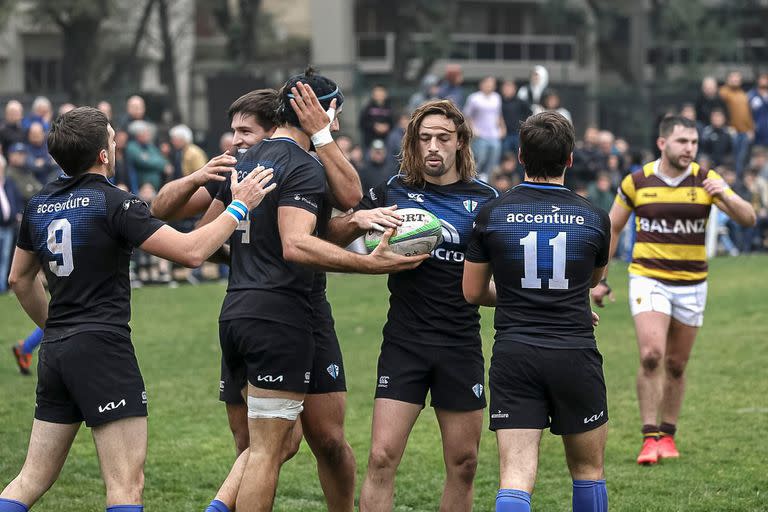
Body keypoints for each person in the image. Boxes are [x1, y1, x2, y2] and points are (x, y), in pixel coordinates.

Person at [0, 106, 276, 512]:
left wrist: (57, 326)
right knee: (126, 485)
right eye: (112, 137)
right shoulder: (116, 203)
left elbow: (18, 279)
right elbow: (192, 252)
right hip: (103, 351)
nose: (115, 142)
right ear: (104, 155)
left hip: (57, 351)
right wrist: (240, 206)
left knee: (31, 478)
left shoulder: (40, 204)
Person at [205, 70, 426, 512]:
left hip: (268, 310)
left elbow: (338, 207)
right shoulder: (300, 164)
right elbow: (296, 242)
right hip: (277, 314)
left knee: (319, 439)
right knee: (268, 447)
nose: (339, 124)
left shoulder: (251, 159)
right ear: (318, 111)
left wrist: (352, 222)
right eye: (335, 113)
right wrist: (368, 263)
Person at [326, 99, 498, 512]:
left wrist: (553, 306)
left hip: (460, 344)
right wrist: (358, 226)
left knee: (465, 463)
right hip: (406, 342)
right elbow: (330, 235)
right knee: (382, 458)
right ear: (413, 144)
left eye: (443, 138)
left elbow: (498, 283)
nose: (433, 146)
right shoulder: (393, 191)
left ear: (460, 143)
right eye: (424, 139)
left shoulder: (486, 200)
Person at [463, 111, 611, 512]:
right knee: (587, 471)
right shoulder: (594, 219)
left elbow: (473, 291)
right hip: (574, 352)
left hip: (516, 355)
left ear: (521, 157)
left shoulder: (492, 215)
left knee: (515, 475)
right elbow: (592, 280)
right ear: (570, 159)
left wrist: (516, 296)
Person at [591, 115, 756, 465]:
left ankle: (668, 434)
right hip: (648, 277)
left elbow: (748, 219)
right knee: (652, 354)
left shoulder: (706, 179)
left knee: (677, 365)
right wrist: (600, 279)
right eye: (683, 142)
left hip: (693, 283)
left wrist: (724, 194)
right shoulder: (637, 181)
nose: (690, 149)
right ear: (663, 143)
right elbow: (612, 228)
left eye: (694, 143)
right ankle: (649, 437)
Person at [464, 76, 505, 181]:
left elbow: (499, 115)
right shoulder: (474, 98)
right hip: (480, 135)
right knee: (479, 159)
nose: (489, 86)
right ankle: (473, 180)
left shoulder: (497, 97)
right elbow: (467, 115)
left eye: (492, 83)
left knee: (493, 161)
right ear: (481, 84)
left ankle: (486, 181)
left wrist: (502, 128)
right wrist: (472, 129)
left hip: (494, 134)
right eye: (487, 83)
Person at [719, 71, 754, 176]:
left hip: (744, 132)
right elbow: (721, 111)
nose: (735, 80)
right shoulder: (723, 92)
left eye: (737, 78)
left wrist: (750, 129)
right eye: (733, 77)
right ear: (728, 79)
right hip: (732, 131)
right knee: (732, 159)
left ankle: (739, 181)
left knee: (742, 159)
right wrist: (727, 126)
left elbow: (747, 113)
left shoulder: (743, 94)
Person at [358, 85, 394, 149]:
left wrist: (387, 127)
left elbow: (393, 123)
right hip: (370, 140)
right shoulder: (367, 108)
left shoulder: (390, 108)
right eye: (377, 93)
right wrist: (374, 126)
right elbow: (362, 123)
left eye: (381, 92)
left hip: (387, 140)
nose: (379, 95)